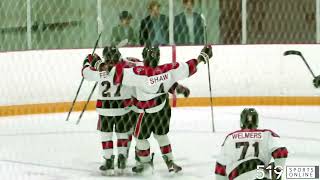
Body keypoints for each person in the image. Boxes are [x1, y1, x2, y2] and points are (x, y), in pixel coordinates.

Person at [106, 45, 212, 173]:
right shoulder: (168, 69)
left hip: (146, 113)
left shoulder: (138, 72)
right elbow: (188, 67)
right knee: (161, 136)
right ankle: (170, 163)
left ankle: (145, 165)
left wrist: (98, 63)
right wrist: (203, 56)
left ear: (144, 57)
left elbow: (115, 75)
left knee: (140, 138)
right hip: (162, 111)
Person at [82, 46, 137, 175]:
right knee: (122, 134)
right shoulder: (125, 69)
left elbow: (85, 71)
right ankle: (122, 159)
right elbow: (136, 64)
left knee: (106, 135)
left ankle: (108, 161)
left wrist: (92, 61)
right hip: (122, 108)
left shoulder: (99, 72)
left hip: (105, 109)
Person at [214, 108, 288, 180]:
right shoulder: (267, 134)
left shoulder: (230, 137)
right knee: (270, 168)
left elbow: (220, 167)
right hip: (258, 175)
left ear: (242, 121)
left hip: (237, 175)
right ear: (256, 121)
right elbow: (281, 151)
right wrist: (277, 175)